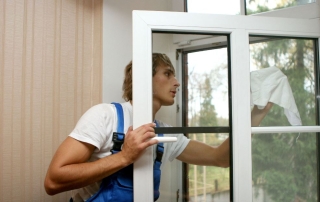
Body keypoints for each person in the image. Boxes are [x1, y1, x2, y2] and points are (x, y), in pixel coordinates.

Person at [44, 53, 272, 201]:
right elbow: (53, 181)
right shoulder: (105, 116)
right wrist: (124, 157)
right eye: (168, 73)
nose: (177, 82)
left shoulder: (164, 135)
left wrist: (257, 113)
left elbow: (220, 158)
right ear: (145, 78)